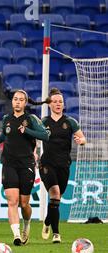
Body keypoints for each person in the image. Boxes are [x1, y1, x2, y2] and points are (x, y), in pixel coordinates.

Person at [0, 90, 49, 246]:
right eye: (15, 99)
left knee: (24, 203)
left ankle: (27, 224)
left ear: (25, 103)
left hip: (26, 165)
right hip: (9, 163)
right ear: (12, 102)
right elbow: (5, 134)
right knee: (12, 201)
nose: (17, 102)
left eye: (21, 100)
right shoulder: (6, 119)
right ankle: (16, 235)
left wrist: (27, 131)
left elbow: (45, 135)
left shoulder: (31, 119)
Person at [39, 88, 86, 243]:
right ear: (49, 104)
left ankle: (47, 222)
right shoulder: (43, 122)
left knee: (56, 199)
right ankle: (56, 234)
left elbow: (82, 138)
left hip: (63, 165)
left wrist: (81, 141)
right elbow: (33, 138)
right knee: (55, 193)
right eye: (55, 101)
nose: (58, 104)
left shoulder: (70, 122)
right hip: (46, 164)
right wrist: (33, 151)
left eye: (60, 101)